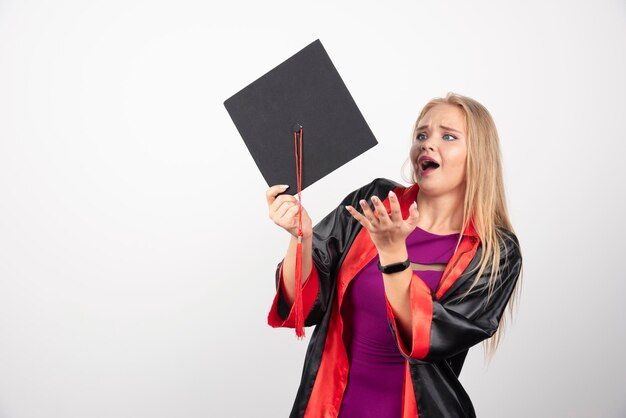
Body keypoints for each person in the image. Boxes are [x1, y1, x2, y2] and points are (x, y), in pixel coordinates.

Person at [265, 93, 523, 418]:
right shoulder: (374, 200)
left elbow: (429, 338)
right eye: (421, 135)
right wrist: (299, 238)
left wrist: (391, 254)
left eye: (448, 135)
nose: (427, 144)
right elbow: (303, 304)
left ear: (479, 155)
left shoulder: (494, 252)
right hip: (330, 405)